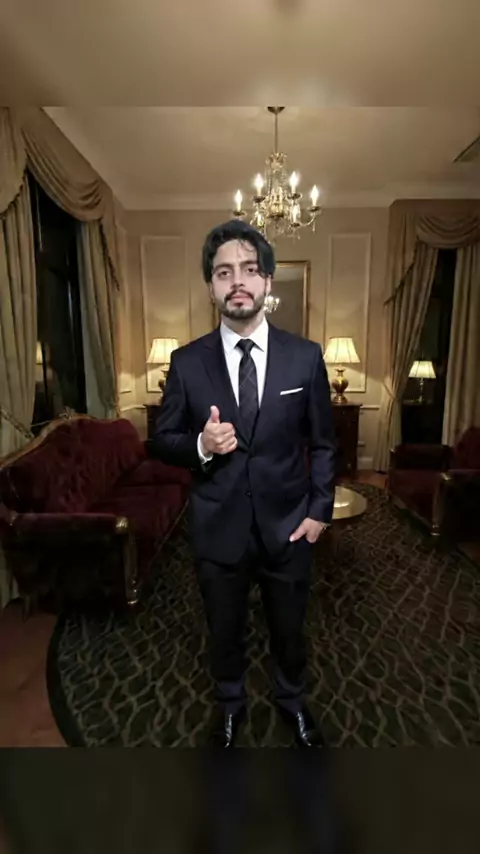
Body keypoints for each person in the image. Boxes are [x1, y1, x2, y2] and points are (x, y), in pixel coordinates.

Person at [154, 219, 336, 747]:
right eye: (224, 272)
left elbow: (324, 443)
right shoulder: (187, 363)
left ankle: (292, 701)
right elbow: (161, 440)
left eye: (250, 270)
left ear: (267, 282)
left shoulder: (306, 357)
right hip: (219, 528)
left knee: (290, 630)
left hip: (289, 528)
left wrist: (319, 511)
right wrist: (201, 445)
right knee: (224, 632)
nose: (238, 281)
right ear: (211, 287)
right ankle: (231, 706)